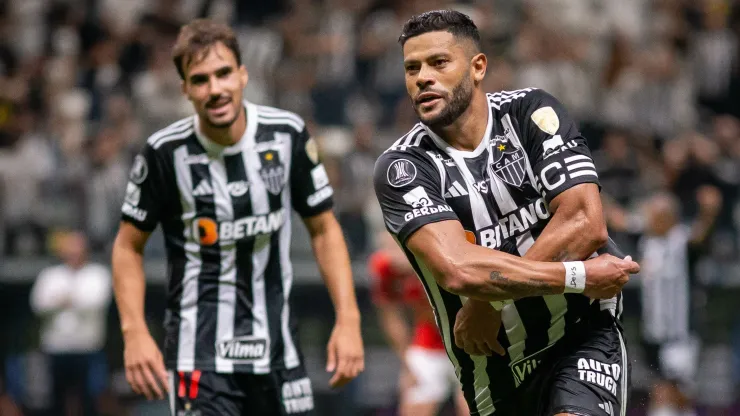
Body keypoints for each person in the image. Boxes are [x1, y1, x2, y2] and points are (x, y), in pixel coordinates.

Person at [373, 10, 640, 416]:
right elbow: (458, 270)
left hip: (580, 333)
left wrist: (490, 303)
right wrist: (580, 275)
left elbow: (585, 221)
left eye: (439, 62)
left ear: (478, 67)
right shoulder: (401, 167)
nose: (423, 77)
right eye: (412, 68)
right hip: (491, 369)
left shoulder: (531, 113)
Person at [111, 19, 364, 416]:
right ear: (185, 90)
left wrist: (348, 320)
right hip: (200, 355)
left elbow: (324, 229)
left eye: (224, 73)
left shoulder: (287, 134)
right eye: (200, 79)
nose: (215, 89)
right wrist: (135, 333)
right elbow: (128, 247)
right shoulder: (163, 153)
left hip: (279, 349)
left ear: (243, 75)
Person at [605, 186, 722, 416]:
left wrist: (709, 212)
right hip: (653, 332)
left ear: (668, 218)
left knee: (675, 392)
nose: (648, 218)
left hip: (680, 333)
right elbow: (618, 219)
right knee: (661, 389)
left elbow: (701, 235)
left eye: (654, 214)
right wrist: (592, 186)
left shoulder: (682, 241)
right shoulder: (646, 240)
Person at [370, 232, 469, 416]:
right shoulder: (385, 268)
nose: (394, 256)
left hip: (467, 339)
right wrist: (407, 361)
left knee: (473, 406)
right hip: (429, 341)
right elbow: (390, 316)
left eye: (398, 249)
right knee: (415, 404)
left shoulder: (443, 257)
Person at [30, 231, 111, 416]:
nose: (73, 253)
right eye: (70, 248)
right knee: (55, 399)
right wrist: (69, 301)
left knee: (90, 398)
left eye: (77, 248)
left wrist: (62, 300)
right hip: (55, 348)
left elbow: (96, 302)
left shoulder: (98, 274)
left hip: (88, 348)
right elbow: (39, 304)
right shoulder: (49, 275)